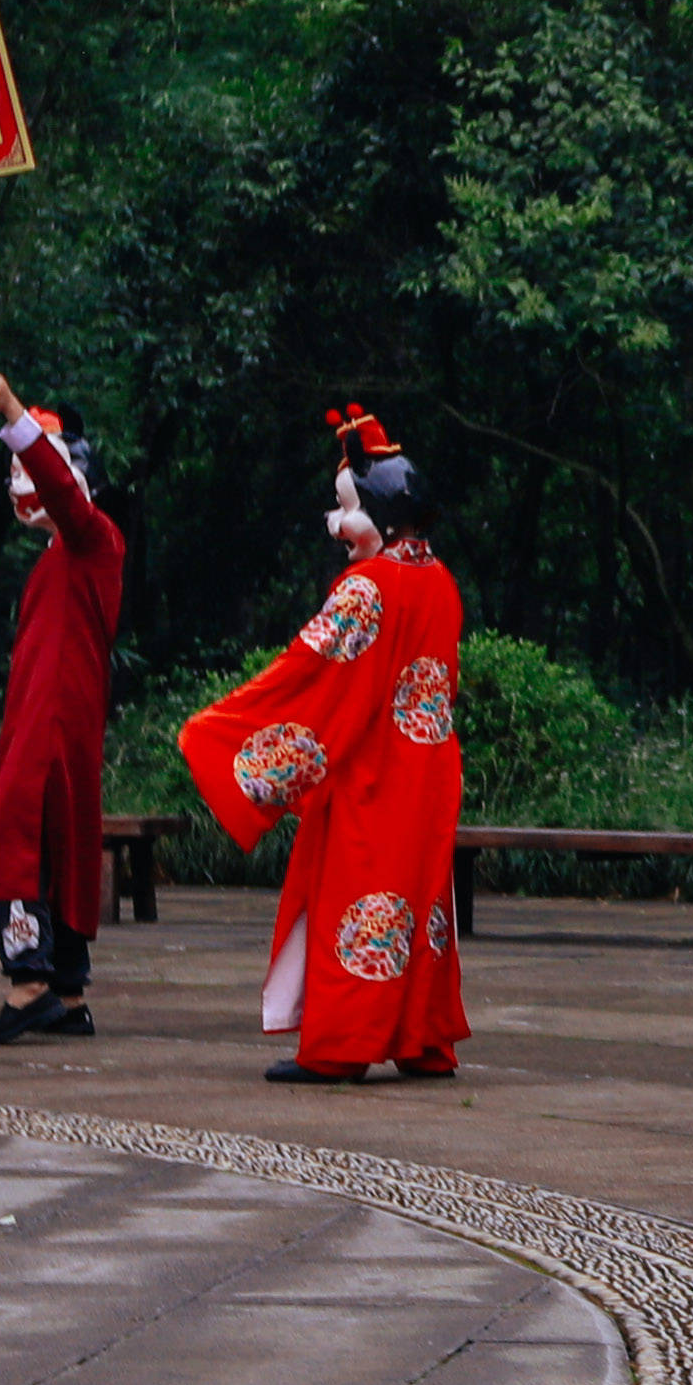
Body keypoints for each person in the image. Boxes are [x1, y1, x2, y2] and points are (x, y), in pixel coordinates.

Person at [178, 409, 473, 1084]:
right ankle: (422, 1039)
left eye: (346, 510)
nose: (334, 525)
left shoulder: (369, 585)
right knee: (419, 905)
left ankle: (341, 1046)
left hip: (374, 774)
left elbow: (307, 673)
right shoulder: (440, 579)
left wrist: (222, 725)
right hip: (428, 770)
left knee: (361, 901)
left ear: (386, 514)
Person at [0, 374, 128, 1047]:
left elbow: (60, 489)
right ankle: (66, 990)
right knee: (58, 844)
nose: (18, 481)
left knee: (17, 835)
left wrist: (9, 411)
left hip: (55, 722)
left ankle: (30, 981)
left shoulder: (94, 536)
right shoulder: (64, 553)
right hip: (56, 716)